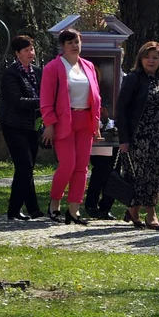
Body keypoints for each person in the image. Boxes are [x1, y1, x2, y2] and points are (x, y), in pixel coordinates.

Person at [41, 28, 103, 226]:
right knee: (67, 165)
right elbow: (46, 99)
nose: (75, 46)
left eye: (77, 41)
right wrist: (49, 124)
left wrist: (97, 123)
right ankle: (54, 203)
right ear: (62, 46)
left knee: (82, 167)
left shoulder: (89, 66)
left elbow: (96, 98)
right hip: (64, 121)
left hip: (85, 121)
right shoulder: (53, 67)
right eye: (70, 43)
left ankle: (74, 210)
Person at [116, 41, 159, 230]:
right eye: (147, 57)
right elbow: (122, 110)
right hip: (140, 137)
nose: (151, 61)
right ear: (140, 59)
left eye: (155, 57)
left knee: (158, 175)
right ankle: (151, 213)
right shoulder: (134, 78)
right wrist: (124, 139)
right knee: (143, 176)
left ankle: (133, 210)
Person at [0, 35, 45, 221]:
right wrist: (43, 102)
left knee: (28, 166)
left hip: (32, 125)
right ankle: (14, 209)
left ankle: (33, 208)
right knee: (24, 165)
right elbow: (17, 101)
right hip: (14, 124)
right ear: (18, 53)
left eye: (32, 49)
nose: (30, 53)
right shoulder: (11, 74)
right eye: (26, 50)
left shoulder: (37, 72)